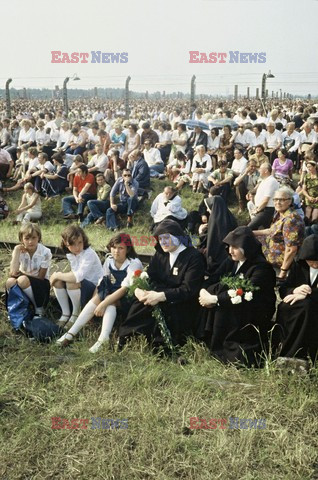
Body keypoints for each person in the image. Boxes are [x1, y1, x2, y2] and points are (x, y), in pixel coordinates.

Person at [118, 220, 205, 348]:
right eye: (160, 238)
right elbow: (149, 275)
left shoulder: (194, 257)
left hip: (181, 302)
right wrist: (139, 289)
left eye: (166, 238)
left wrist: (160, 296)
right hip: (157, 294)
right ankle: (127, 339)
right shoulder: (161, 253)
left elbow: (188, 289)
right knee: (139, 305)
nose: (162, 242)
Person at [198, 226, 276, 366]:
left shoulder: (261, 267)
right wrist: (203, 292)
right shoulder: (232, 261)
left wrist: (214, 299)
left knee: (221, 297)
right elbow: (213, 278)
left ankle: (222, 347)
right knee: (216, 288)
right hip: (235, 304)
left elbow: (247, 292)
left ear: (246, 247)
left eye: (235, 247)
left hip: (253, 310)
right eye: (229, 246)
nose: (230, 251)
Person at [56, 233, 143, 351]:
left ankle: (103, 339)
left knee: (110, 302)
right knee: (100, 297)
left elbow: (125, 289)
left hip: (129, 297)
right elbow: (102, 283)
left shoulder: (134, 263)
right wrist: (95, 300)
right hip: (112, 293)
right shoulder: (109, 260)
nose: (116, 251)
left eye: (121, 248)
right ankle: (71, 334)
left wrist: (103, 303)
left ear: (128, 249)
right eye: (114, 247)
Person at [275, 234, 318, 363]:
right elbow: (283, 289)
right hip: (297, 306)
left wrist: (308, 293)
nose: (314, 264)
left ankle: (300, 352)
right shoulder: (299, 266)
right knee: (284, 306)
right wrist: (295, 290)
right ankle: (284, 349)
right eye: (310, 261)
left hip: (313, 307)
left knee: (307, 307)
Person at [50, 225, 103, 328]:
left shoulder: (89, 253)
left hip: (94, 290)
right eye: (72, 244)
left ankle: (75, 315)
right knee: (58, 282)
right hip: (81, 286)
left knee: (70, 280)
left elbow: (78, 276)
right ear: (66, 243)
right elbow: (74, 273)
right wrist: (58, 278)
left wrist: (57, 274)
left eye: (80, 242)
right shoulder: (71, 254)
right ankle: (65, 314)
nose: (77, 247)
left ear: (84, 240)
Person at [253, 186, 305, 279]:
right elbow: (271, 231)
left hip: (279, 262)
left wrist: (283, 272)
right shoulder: (279, 213)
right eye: (275, 199)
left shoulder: (291, 220)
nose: (277, 202)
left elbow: (291, 249)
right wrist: (250, 232)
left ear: (290, 201)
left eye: (281, 199)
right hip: (269, 253)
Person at [6, 223, 52, 316]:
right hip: (22, 281)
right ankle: (14, 310)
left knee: (22, 280)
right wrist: (16, 251)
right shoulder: (20, 251)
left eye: (34, 238)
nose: (30, 242)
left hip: (40, 286)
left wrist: (23, 275)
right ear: (21, 239)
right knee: (10, 281)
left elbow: (41, 277)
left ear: (38, 237)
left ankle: (38, 308)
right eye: (27, 238)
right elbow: (13, 273)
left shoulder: (45, 252)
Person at [200, 195, 237, 272]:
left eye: (208, 207)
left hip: (216, 258)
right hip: (229, 255)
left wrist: (200, 232)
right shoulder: (230, 218)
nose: (207, 209)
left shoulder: (214, 220)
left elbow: (207, 241)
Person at [248, 163, 279, 230]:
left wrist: (257, 210)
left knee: (248, 228)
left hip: (266, 210)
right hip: (261, 209)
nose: (259, 170)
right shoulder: (264, 180)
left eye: (260, 169)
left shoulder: (271, 181)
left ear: (266, 170)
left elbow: (265, 200)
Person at [301, 159, 318, 224]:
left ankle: (313, 222)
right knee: (308, 210)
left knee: (316, 211)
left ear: (315, 167)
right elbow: (303, 190)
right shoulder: (307, 176)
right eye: (307, 167)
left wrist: (317, 198)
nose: (308, 168)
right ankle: (306, 221)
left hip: (317, 198)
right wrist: (308, 197)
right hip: (309, 197)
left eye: (310, 167)